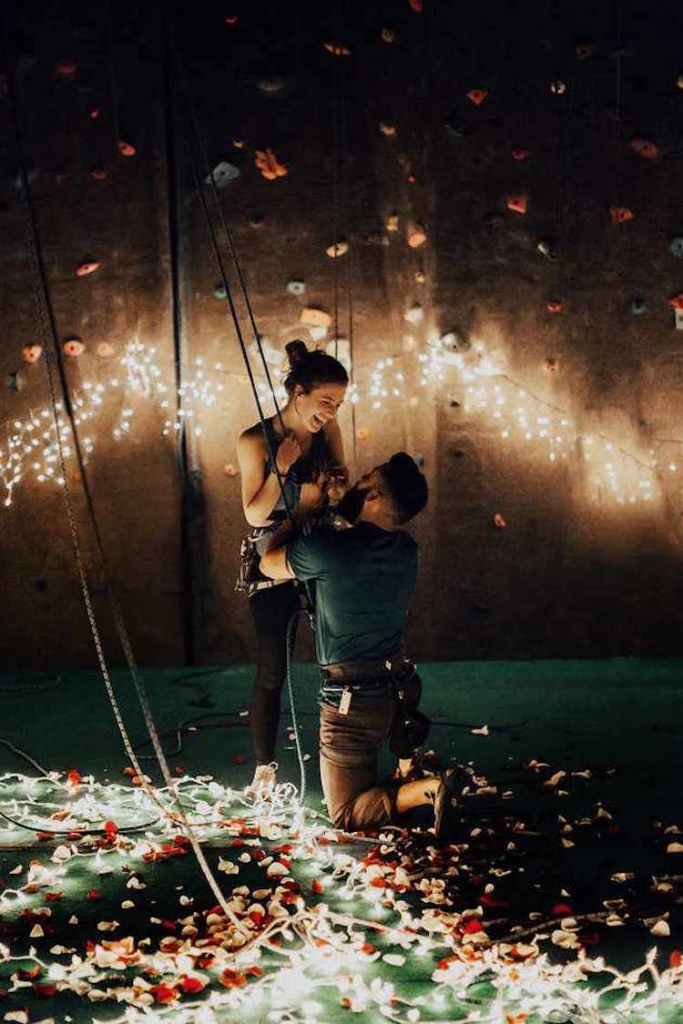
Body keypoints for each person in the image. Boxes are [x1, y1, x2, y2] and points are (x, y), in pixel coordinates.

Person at [260, 453, 463, 843]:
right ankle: (408, 768)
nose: (357, 482)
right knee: (390, 728)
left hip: (352, 705)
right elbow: (359, 540)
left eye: (364, 480)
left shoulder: (329, 549)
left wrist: (302, 506)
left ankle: (429, 789)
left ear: (373, 496)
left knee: (345, 813)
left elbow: (269, 562)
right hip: (399, 690)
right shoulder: (407, 551)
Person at [236, 340, 349, 796]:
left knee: (342, 662)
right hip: (273, 556)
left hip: (320, 548)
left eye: (338, 404)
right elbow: (254, 514)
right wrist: (281, 471)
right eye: (326, 402)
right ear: (298, 393)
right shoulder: (254, 440)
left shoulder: (328, 434)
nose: (331, 412)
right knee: (271, 669)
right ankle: (264, 768)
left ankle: (345, 757)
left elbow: (342, 494)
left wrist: (334, 488)